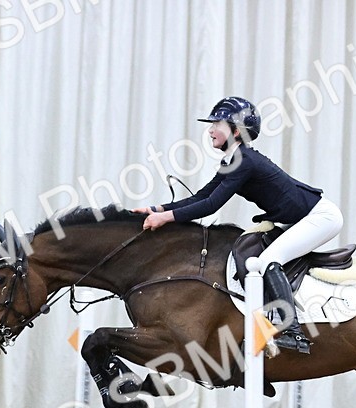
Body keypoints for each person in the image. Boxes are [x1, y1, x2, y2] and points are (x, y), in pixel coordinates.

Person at [134, 96, 343, 354]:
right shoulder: (234, 160)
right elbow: (202, 196)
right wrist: (158, 209)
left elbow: (211, 205)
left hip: (320, 218)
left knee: (266, 261)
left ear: (235, 131)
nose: (210, 130)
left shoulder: (244, 161)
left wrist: (164, 219)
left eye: (217, 125)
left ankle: (293, 332)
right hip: (297, 217)